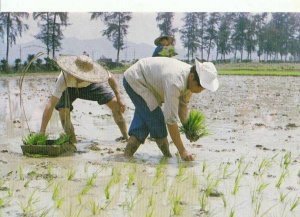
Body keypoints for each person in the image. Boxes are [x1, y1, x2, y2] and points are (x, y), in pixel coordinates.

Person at [123, 57, 219, 161]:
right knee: (156, 119)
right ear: (192, 77)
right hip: (136, 79)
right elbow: (170, 120)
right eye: (200, 87)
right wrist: (182, 151)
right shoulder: (175, 83)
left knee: (145, 120)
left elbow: (182, 106)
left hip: (148, 83)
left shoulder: (190, 79)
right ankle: (167, 157)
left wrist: (188, 129)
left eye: (204, 88)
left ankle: (126, 158)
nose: (201, 91)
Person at [39, 55, 128, 150]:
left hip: (90, 85)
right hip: (68, 89)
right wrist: (42, 132)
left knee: (115, 103)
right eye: (79, 74)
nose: (80, 77)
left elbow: (111, 78)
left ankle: (126, 137)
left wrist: (119, 96)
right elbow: (51, 104)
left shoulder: (95, 72)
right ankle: (72, 142)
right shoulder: (64, 78)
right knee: (63, 112)